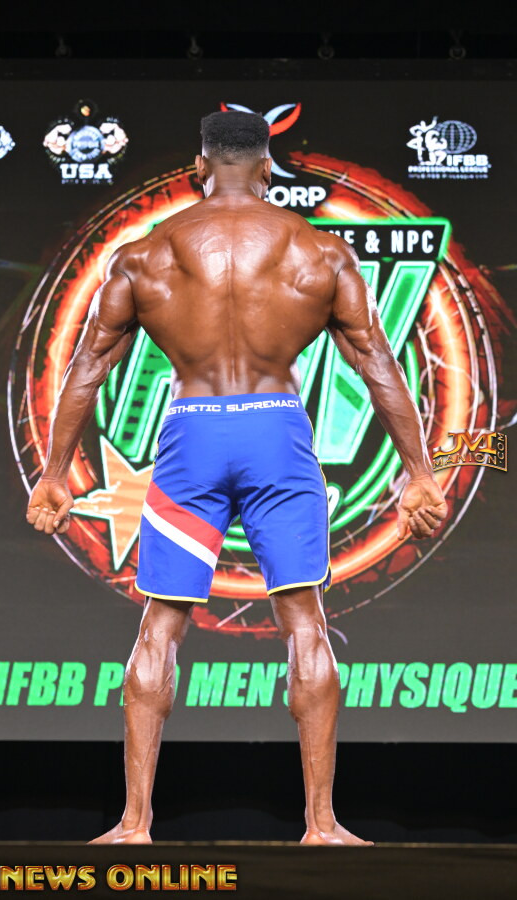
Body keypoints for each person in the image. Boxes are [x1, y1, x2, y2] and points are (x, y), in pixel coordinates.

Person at [26, 110, 448, 846]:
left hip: (193, 433)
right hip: (274, 431)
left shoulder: (145, 255)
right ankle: (321, 825)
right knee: (304, 620)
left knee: (161, 624)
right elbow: (376, 362)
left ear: (199, 167)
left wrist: (56, 474)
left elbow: (88, 365)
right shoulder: (319, 250)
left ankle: (134, 824)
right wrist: (418, 473)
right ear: (266, 169)